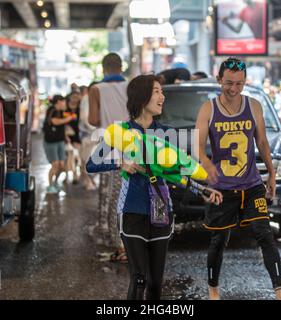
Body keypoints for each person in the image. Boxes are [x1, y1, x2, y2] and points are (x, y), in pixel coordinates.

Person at [86, 74, 222, 299]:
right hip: (132, 210)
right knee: (139, 279)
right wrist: (120, 163)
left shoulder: (167, 133)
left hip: (161, 212)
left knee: (156, 284)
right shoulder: (119, 131)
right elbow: (91, 164)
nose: (163, 96)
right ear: (142, 97)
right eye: (157, 91)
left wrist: (203, 190)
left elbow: (176, 174)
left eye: (161, 91)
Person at [195, 57, 281, 300]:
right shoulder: (208, 109)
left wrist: (272, 172)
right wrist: (206, 165)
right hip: (222, 187)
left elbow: (263, 142)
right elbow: (198, 148)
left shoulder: (254, 106)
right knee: (219, 239)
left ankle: (279, 291)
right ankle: (213, 287)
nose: (234, 89)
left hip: (251, 184)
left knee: (264, 234)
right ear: (219, 80)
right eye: (228, 83)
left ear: (245, 82)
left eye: (239, 83)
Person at [88, 52, 129, 257]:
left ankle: (114, 240)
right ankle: (130, 240)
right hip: (132, 148)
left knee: (111, 196)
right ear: (121, 67)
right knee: (129, 196)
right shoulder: (132, 86)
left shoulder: (96, 89)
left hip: (109, 148)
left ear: (104, 69)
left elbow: (93, 119)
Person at [43, 95, 73, 194]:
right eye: (63, 101)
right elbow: (55, 122)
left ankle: (55, 183)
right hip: (51, 142)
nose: (65, 103)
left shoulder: (61, 112)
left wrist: (65, 137)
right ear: (58, 102)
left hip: (60, 141)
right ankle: (50, 186)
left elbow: (62, 127)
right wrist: (69, 118)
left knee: (62, 165)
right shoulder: (51, 110)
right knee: (55, 165)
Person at [79, 82, 98, 191]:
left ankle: (90, 180)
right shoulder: (86, 99)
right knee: (86, 159)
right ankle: (88, 181)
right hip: (87, 134)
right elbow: (84, 118)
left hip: (96, 134)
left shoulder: (97, 99)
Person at [65, 90, 82, 185]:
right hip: (67, 136)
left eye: (77, 98)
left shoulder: (80, 108)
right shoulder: (65, 107)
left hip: (77, 136)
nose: (75, 99)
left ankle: (76, 175)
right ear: (70, 97)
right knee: (68, 156)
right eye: (73, 97)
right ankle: (68, 174)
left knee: (77, 156)